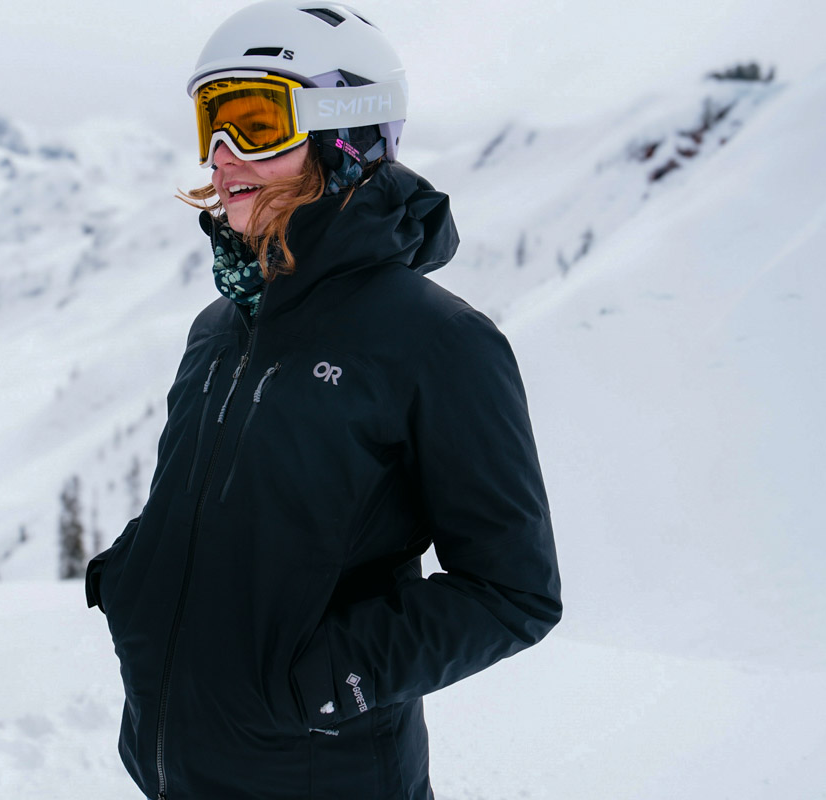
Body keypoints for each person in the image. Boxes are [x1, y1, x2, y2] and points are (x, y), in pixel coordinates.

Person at [85, 3, 562, 798]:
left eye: (256, 121)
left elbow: (513, 593)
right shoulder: (221, 326)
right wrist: (134, 577)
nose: (222, 154)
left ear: (349, 132)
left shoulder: (437, 341)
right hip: (179, 769)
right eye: (212, 120)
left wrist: (320, 683)